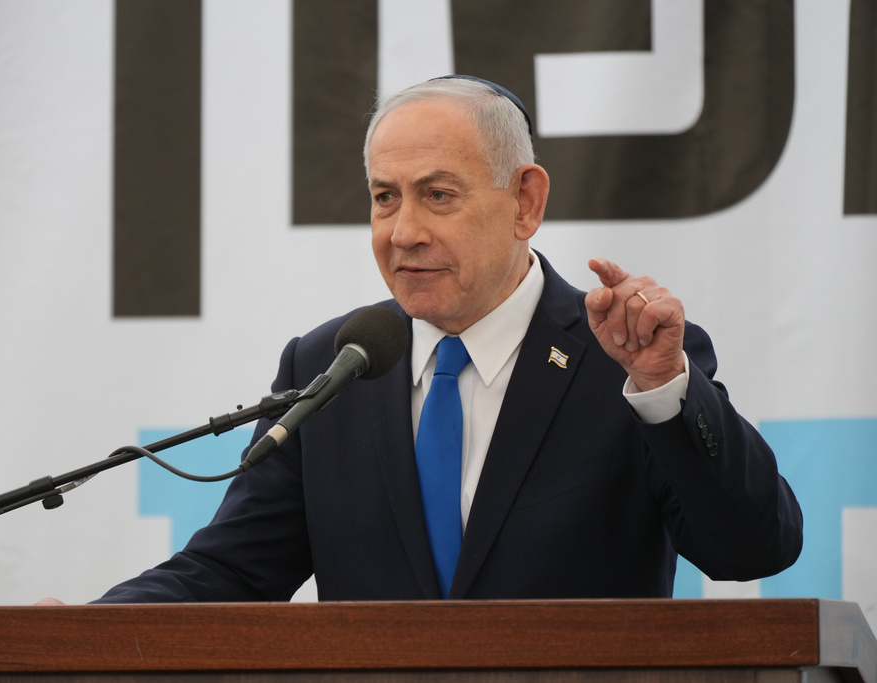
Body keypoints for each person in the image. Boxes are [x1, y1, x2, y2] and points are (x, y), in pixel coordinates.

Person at [65, 76, 802, 603]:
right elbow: (230, 571)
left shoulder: (629, 359)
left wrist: (663, 389)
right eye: (385, 197)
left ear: (526, 201)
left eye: (438, 195)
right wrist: (89, 635)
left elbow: (755, 546)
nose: (403, 232)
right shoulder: (330, 367)